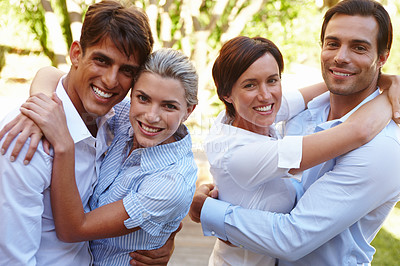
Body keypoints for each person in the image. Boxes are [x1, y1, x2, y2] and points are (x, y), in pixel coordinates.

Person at [189, 0, 400, 265]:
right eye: (333, 43)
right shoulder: (298, 116)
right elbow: (356, 128)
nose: (341, 57)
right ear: (227, 95)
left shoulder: (384, 149)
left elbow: (291, 238)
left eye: (359, 47)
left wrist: (208, 210)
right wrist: (388, 84)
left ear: (382, 57)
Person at [0, 1, 178, 265]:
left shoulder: (116, 120)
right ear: (76, 54)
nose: (110, 80)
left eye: (126, 70)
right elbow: (13, 258)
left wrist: (166, 237)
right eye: (101, 61)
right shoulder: (27, 139)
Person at [18, 48, 198, 265]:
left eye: (169, 106)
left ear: (189, 110)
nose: (151, 116)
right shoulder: (123, 116)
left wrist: (64, 145)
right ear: (132, 94)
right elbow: (50, 74)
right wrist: (40, 108)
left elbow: (74, 230)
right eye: (143, 98)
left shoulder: (171, 183)